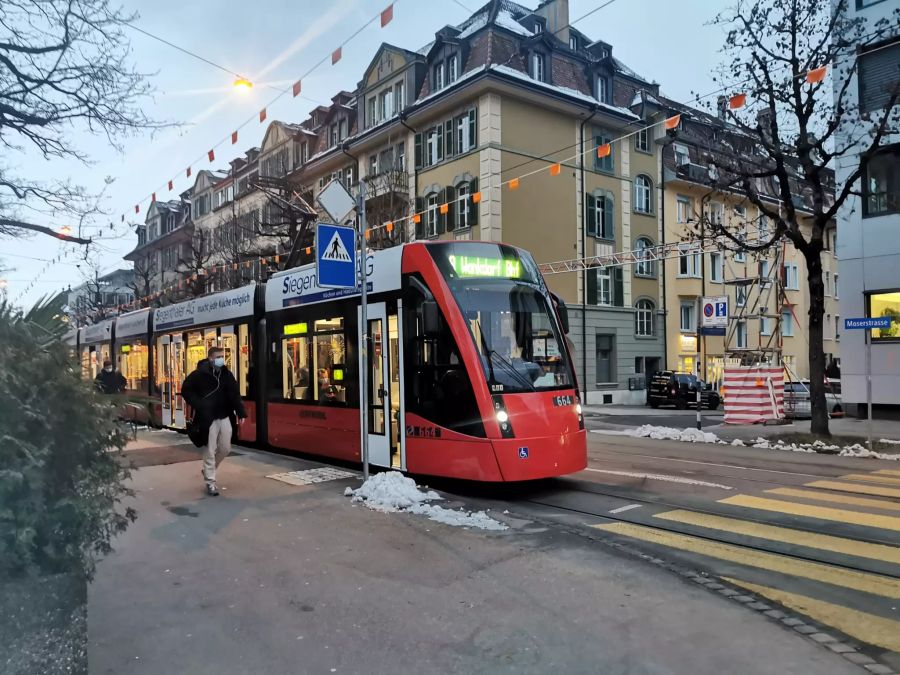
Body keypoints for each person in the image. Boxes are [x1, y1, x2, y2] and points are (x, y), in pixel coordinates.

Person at [181, 347, 247, 496]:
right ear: (210, 358)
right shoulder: (198, 375)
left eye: (222, 356)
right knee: (210, 450)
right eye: (218, 357)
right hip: (207, 418)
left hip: (224, 416)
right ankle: (210, 482)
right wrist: (199, 404)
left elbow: (234, 394)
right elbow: (186, 390)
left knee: (225, 448)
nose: (221, 359)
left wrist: (241, 412)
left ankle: (207, 470)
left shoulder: (226, 374)